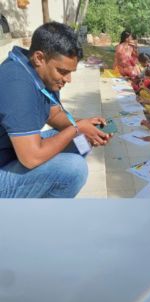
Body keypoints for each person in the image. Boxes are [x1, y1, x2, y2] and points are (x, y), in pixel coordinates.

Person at [0, 22, 111, 198]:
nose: (68, 79)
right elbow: (31, 158)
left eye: (71, 72)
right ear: (39, 58)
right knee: (73, 169)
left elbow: (55, 114)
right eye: (62, 71)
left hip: (13, 153)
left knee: (82, 142)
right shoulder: (17, 85)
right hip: (9, 164)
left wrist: (86, 126)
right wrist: (76, 128)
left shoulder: (37, 72)